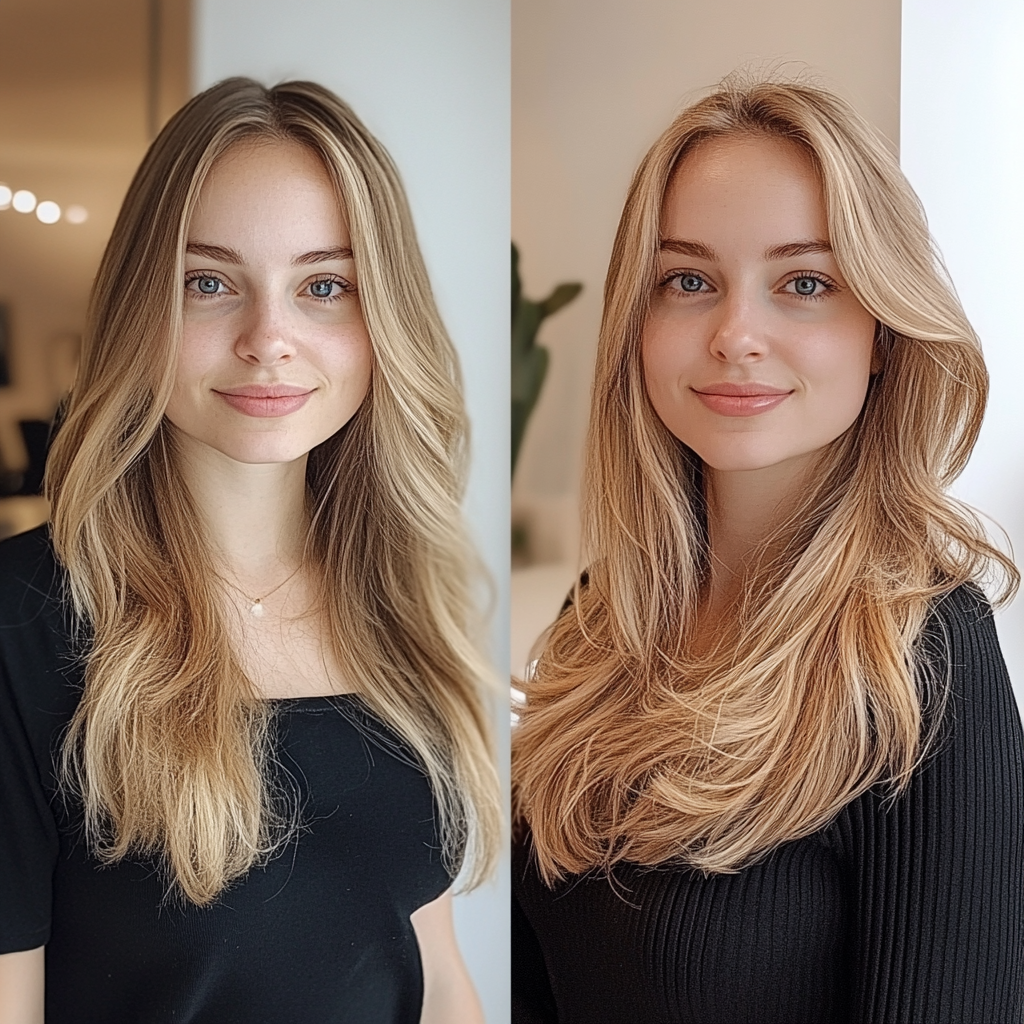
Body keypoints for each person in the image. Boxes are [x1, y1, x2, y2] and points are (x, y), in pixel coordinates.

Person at [512, 77, 1024, 1024]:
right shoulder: (603, 613)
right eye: (689, 281)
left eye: (805, 284)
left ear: (882, 332)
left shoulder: (924, 657)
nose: (736, 335)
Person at [0, 77, 500, 1024]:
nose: (270, 340)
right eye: (209, 283)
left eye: (324, 287)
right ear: (140, 307)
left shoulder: (401, 594)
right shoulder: (20, 627)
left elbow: (433, 973)